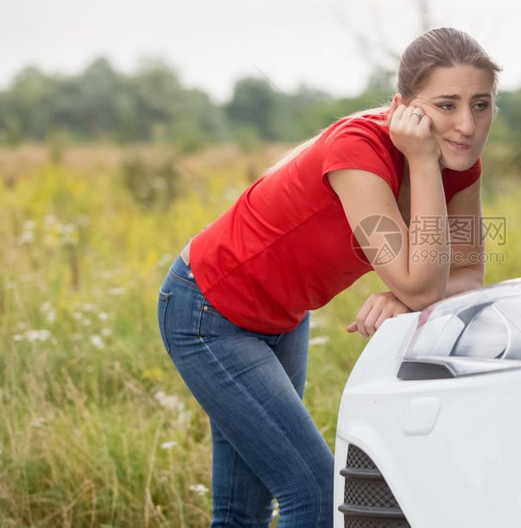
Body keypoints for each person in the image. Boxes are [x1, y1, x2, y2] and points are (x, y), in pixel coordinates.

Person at [156, 27, 500, 528]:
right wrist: (423, 162)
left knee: (241, 513)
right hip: (209, 310)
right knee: (316, 494)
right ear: (405, 108)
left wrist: (404, 299)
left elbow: (467, 274)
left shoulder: (461, 165)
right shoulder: (360, 152)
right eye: (447, 105)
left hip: (284, 316)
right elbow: (426, 285)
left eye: (482, 104)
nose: (467, 125)